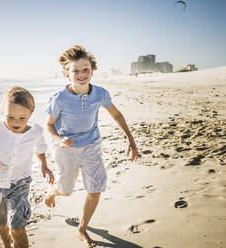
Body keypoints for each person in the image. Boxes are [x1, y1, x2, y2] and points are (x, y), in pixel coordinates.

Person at [45, 45, 139, 248]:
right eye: (75, 70)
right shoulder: (60, 98)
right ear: (66, 74)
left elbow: (116, 114)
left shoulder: (100, 94)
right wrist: (58, 139)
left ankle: (82, 227)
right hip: (66, 148)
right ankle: (53, 191)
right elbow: (49, 125)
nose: (81, 74)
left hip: (91, 145)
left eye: (85, 69)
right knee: (66, 190)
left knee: (95, 189)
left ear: (92, 71)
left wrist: (130, 140)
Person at [0, 86, 54, 248]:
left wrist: (44, 165)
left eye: (23, 118)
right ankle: (7, 245)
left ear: (30, 114)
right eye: (10, 117)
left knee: (17, 225)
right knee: (1, 220)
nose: (16, 123)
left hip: (20, 183)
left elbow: (40, 148)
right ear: (2, 113)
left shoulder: (36, 131)